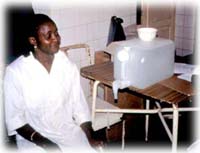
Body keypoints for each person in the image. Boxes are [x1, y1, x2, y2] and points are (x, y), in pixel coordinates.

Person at [3, 13, 103, 153]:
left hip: (66, 132)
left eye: (56, 33)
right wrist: (45, 144)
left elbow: (79, 107)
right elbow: (16, 119)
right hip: (34, 138)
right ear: (33, 40)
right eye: (48, 36)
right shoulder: (16, 72)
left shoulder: (66, 65)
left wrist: (90, 138)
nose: (56, 39)